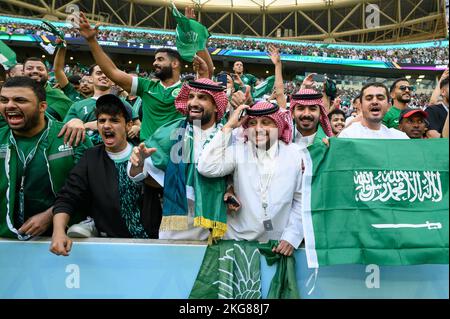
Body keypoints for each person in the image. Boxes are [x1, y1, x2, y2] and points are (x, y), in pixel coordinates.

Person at [128, 78, 229, 240]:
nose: (193, 103)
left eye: (202, 98)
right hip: (181, 221)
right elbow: (139, 174)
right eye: (191, 97)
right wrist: (137, 165)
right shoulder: (173, 131)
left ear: (217, 105)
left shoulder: (228, 135)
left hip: (222, 221)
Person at [197, 102, 303, 256]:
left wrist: (291, 237)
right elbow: (206, 167)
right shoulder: (239, 151)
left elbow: (301, 200)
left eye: (266, 122)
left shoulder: (295, 154)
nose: (258, 129)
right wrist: (229, 127)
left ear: (278, 125)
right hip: (237, 242)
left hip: (277, 245)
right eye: (252, 123)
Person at [50, 95, 151, 255]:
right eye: (102, 121)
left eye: (114, 120)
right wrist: (58, 231)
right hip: (107, 247)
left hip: (150, 246)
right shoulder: (91, 158)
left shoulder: (144, 154)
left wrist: (143, 173)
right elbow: (68, 196)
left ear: (128, 125)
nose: (106, 126)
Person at [0, 76, 92, 240]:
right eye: (3, 100)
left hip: (62, 240)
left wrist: (51, 215)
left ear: (42, 106)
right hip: (5, 239)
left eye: (20, 100)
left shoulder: (71, 137)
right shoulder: (1, 137)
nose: (10, 106)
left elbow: (89, 185)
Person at [62, 65, 135, 145]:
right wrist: (85, 125)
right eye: (99, 73)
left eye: (108, 74)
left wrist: (136, 128)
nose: (104, 76)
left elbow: (138, 126)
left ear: (113, 79)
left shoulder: (123, 103)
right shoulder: (77, 106)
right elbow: (63, 131)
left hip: (116, 152)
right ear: (90, 78)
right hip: (86, 153)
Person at [339, 83, 409, 139]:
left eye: (380, 98)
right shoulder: (347, 135)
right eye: (369, 98)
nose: (375, 101)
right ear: (360, 106)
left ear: (388, 106)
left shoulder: (399, 138)